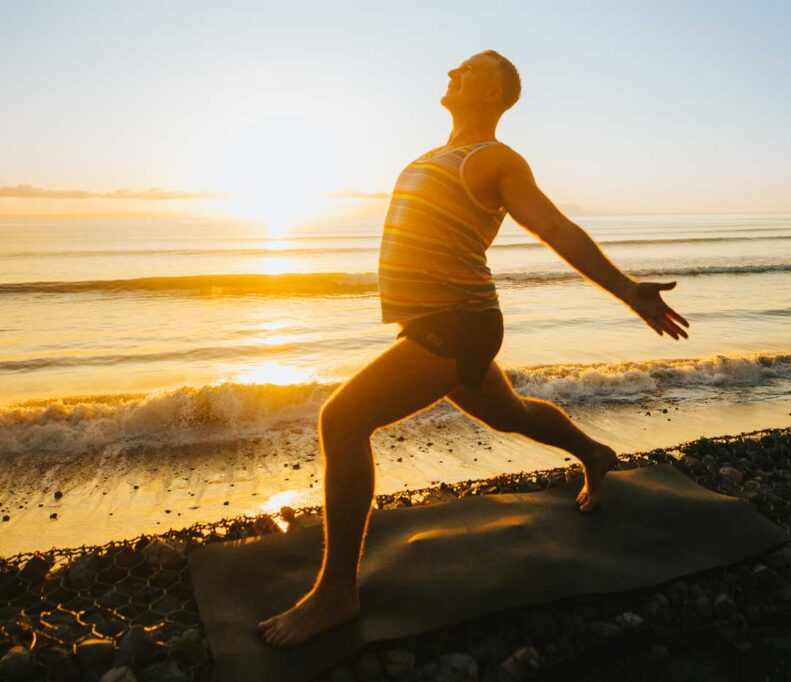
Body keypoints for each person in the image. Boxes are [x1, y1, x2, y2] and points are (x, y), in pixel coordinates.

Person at [259, 49, 689, 647]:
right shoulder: (435, 156)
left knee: (342, 420)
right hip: (436, 323)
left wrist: (626, 289)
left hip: (460, 323)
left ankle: (336, 594)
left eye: (467, 70)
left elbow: (556, 228)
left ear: (495, 94)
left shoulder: (496, 159)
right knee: (512, 414)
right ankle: (594, 454)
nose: (450, 73)